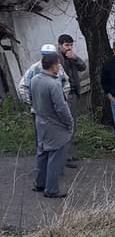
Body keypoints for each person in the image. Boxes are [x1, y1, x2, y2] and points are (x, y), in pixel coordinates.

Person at [29, 49, 74, 198]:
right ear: (54, 65)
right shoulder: (53, 84)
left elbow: (31, 98)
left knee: (42, 153)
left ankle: (39, 183)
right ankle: (52, 189)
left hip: (39, 120)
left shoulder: (35, 79)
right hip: (54, 124)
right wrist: (69, 123)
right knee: (55, 156)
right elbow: (61, 108)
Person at [17, 46, 70, 154]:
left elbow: (66, 82)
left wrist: (63, 97)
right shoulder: (34, 69)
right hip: (40, 111)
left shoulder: (58, 67)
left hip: (56, 109)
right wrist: (32, 102)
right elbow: (22, 87)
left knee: (58, 137)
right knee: (41, 139)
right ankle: (43, 162)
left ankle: (61, 159)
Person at [57, 34, 87, 169]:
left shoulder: (71, 57)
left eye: (71, 45)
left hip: (74, 93)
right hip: (64, 95)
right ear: (60, 45)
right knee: (66, 126)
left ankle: (69, 154)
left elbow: (83, 67)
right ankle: (64, 157)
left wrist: (75, 58)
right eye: (66, 45)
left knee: (72, 125)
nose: (69, 48)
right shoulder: (57, 58)